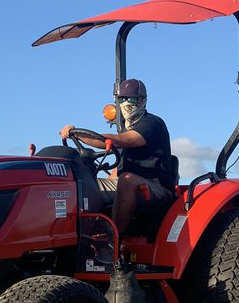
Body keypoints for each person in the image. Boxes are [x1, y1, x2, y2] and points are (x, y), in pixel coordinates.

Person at [60, 78, 176, 239]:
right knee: (80, 183)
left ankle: (114, 239)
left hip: (158, 186)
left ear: (143, 100)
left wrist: (78, 134)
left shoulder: (152, 124)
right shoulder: (125, 127)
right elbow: (119, 166)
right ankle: (81, 237)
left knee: (127, 179)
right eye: (122, 99)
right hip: (129, 181)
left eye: (132, 99)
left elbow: (120, 141)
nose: (127, 103)